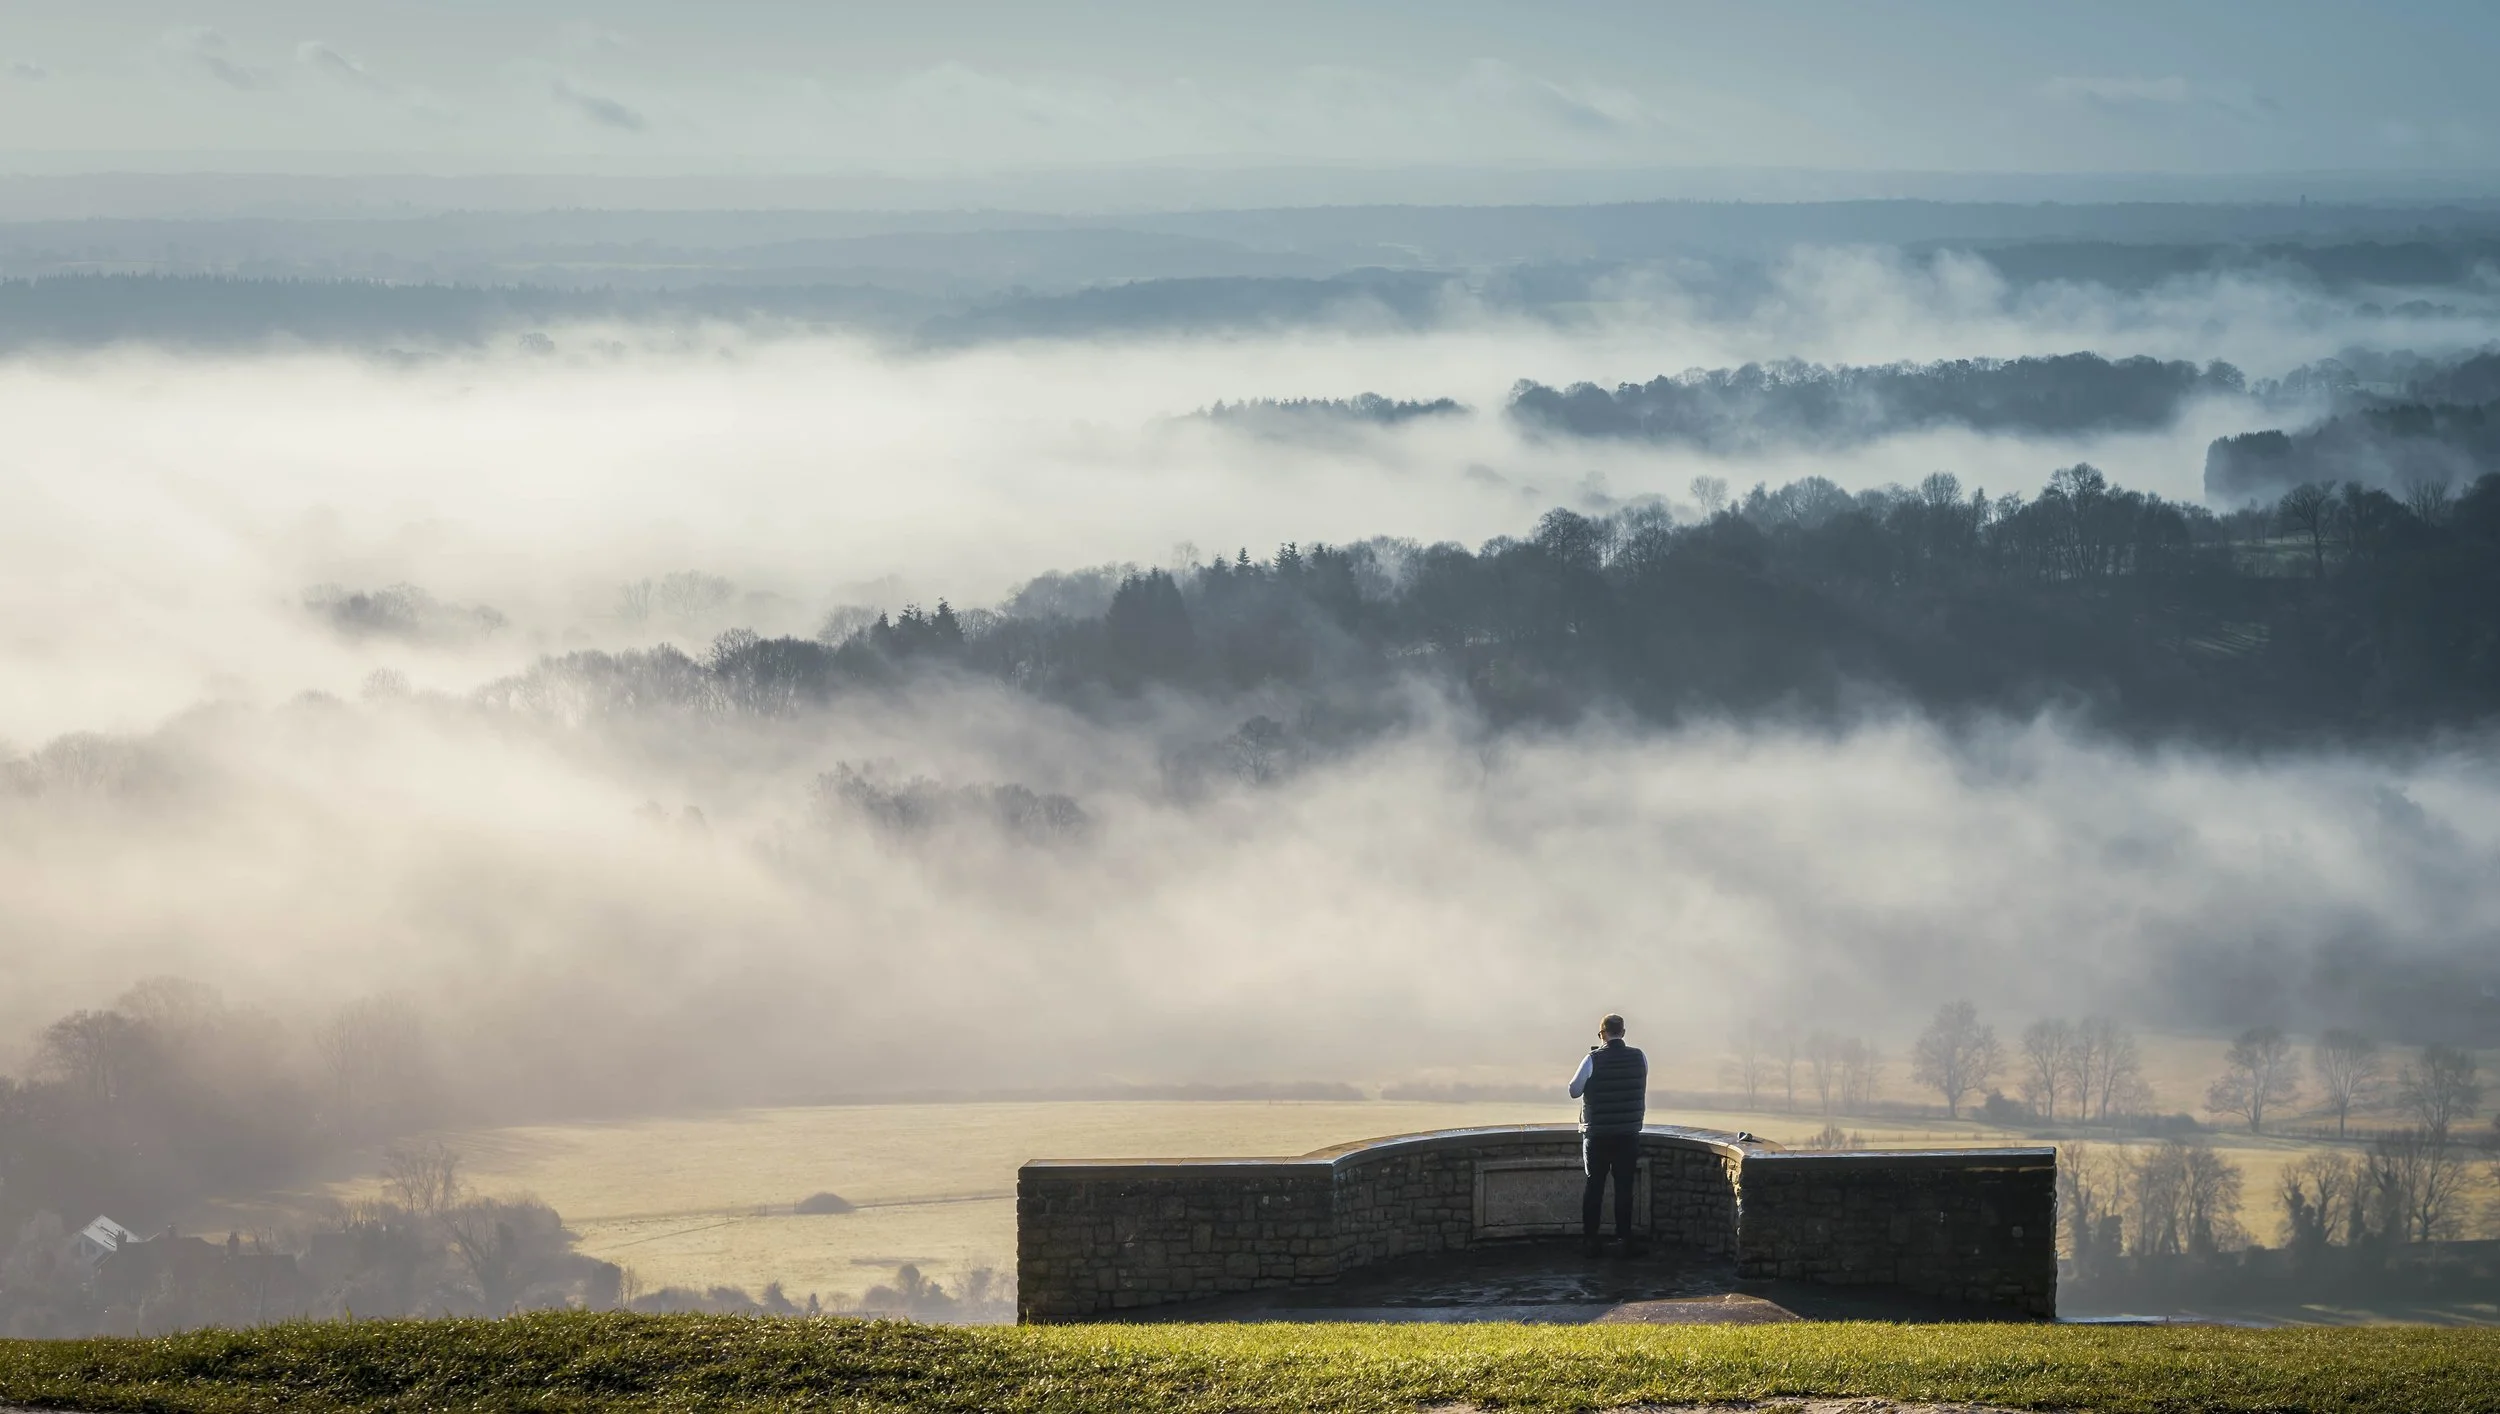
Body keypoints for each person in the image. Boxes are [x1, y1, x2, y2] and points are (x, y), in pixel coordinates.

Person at [1567, 1012, 1648, 1256]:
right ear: (1623, 1032)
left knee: (1595, 1186)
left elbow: (1573, 1090)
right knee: (1624, 1187)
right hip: (1628, 1132)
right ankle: (1625, 1238)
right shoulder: (1639, 1057)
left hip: (1598, 1134)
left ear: (1602, 1034)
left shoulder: (1592, 1059)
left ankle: (1590, 1240)